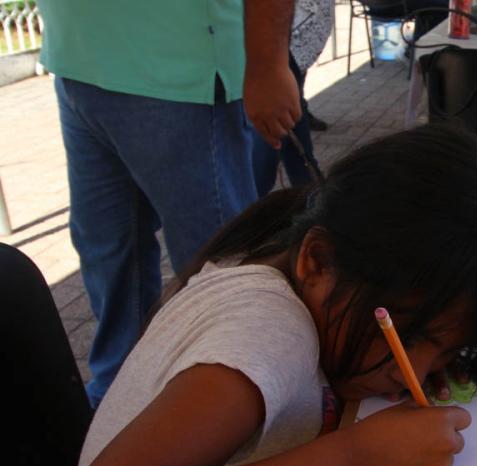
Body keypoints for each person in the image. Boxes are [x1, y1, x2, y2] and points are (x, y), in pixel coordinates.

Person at [18, 124, 477, 466]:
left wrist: (426, 358)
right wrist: (355, 463)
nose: (412, 369)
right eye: (406, 335)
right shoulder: (266, 336)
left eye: (447, 352)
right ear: (317, 260)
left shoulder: (305, 277)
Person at [36, 0, 301, 407]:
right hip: (77, 65)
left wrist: (268, 65)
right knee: (108, 254)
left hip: (180, 74)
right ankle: (121, 398)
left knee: (220, 271)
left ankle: (240, 407)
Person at [251, 0, 334, 197]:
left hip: (272, 49)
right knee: (289, 145)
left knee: (276, 154)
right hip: (271, 53)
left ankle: (313, 199)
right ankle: (313, 198)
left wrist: (270, 68)